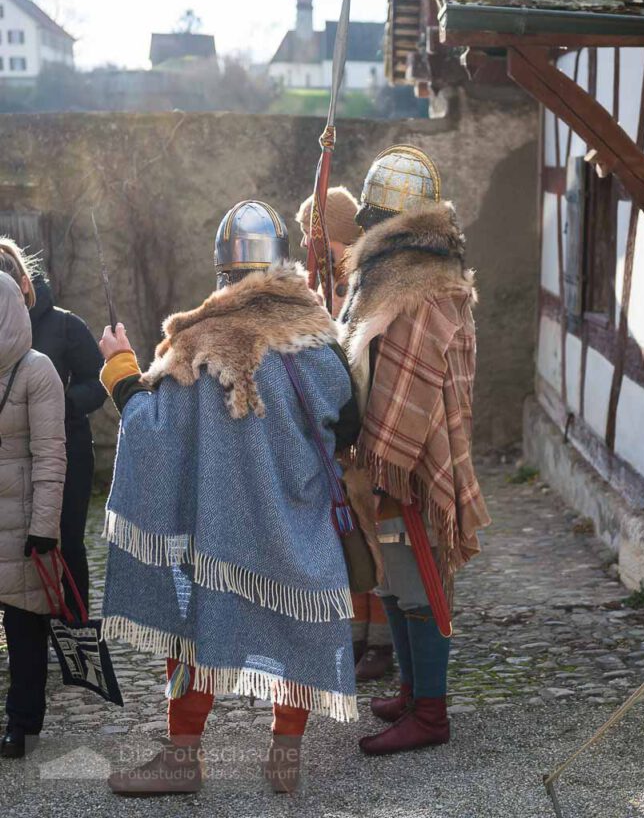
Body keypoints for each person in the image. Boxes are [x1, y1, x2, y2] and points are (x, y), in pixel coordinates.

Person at [99, 201, 361, 795]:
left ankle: (183, 756)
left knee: (191, 627)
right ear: (280, 265)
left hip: (216, 529)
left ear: (223, 272)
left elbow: (154, 434)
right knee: (294, 619)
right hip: (296, 523)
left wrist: (119, 368)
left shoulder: (197, 344)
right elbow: (347, 426)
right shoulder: (318, 343)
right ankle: (285, 753)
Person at [340, 145, 491, 756]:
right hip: (391, 456)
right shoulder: (394, 279)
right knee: (396, 580)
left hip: (414, 458)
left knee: (422, 582)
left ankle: (430, 713)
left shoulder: (424, 291)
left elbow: (412, 383)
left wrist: (385, 456)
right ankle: (412, 691)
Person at [297, 186, 393, 681]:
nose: (313, 251)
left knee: (375, 535)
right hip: (341, 430)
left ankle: (381, 640)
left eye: (319, 240)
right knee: (348, 537)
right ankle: (356, 634)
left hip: (370, 425)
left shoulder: (366, 283)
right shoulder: (327, 285)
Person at [0, 239, 106, 614]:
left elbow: (99, 381)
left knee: (68, 544)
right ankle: (25, 632)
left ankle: (75, 629)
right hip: (12, 460)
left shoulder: (65, 325)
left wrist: (58, 405)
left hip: (68, 453)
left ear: (25, 283)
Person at [0, 272, 66, 759]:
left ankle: (22, 723)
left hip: (21, 521)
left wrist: (44, 528)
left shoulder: (35, 369)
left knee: (24, 628)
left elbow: (50, 455)